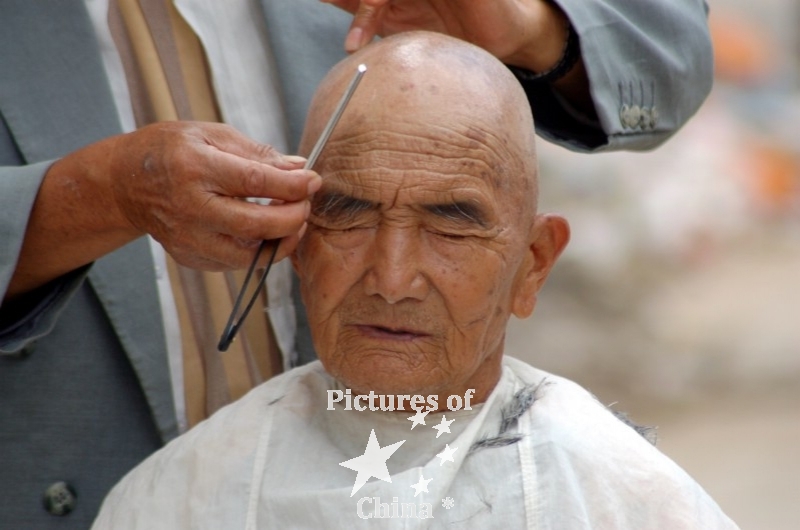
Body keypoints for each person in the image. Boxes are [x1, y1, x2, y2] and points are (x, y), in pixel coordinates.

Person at [0, 0, 713, 527]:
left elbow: (670, 42)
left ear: (533, 264)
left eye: (450, 225)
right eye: (346, 214)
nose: (392, 280)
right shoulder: (155, 504)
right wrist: (90, 199)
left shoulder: (624, 497)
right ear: (297, 240)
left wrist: (534, 24)